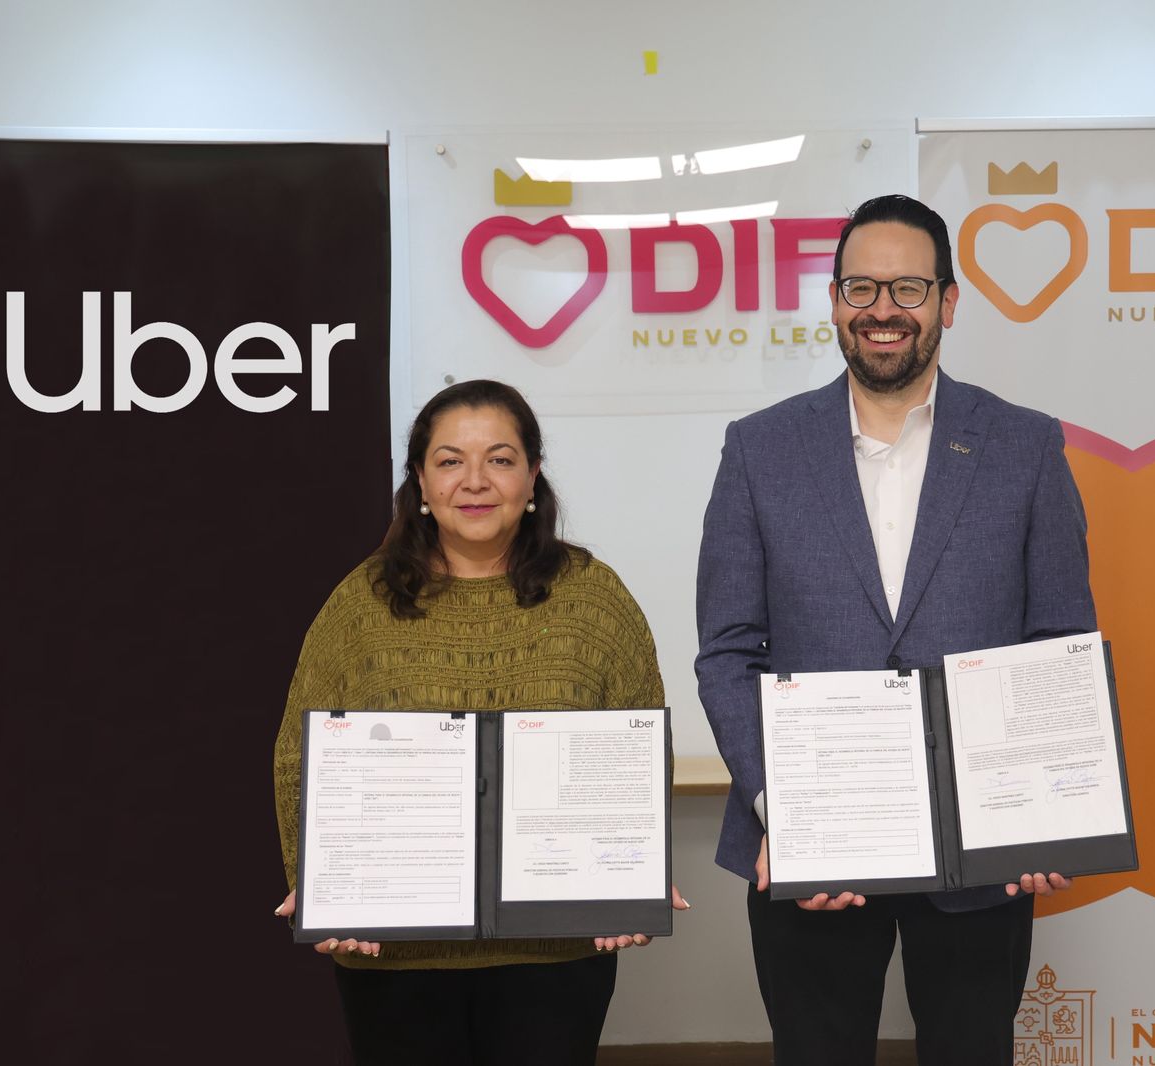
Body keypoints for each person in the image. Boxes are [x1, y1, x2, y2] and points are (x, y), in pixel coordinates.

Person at [695, 194, 1095, 1066]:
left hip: (983, 847)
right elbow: (727, 650)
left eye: (908, 288)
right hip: (809, 842)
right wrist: (781, 811)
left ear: (948, 302)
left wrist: (1045, 811)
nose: (883, 309)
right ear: (834, 301)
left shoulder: (1024, 446)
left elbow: (1058, 641)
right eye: (861, 288)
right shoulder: (760, 448)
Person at [273, 378, 687, 1066]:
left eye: (499, 459)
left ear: (533, 476)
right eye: (449, 461)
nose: (474, 481)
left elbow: (637, 750)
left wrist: (632, 879)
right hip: (392, 951)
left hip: (555, 952)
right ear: (420, 480)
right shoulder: (360, 603)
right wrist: (322, 886)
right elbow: (298, 755)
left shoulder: (595, 597)